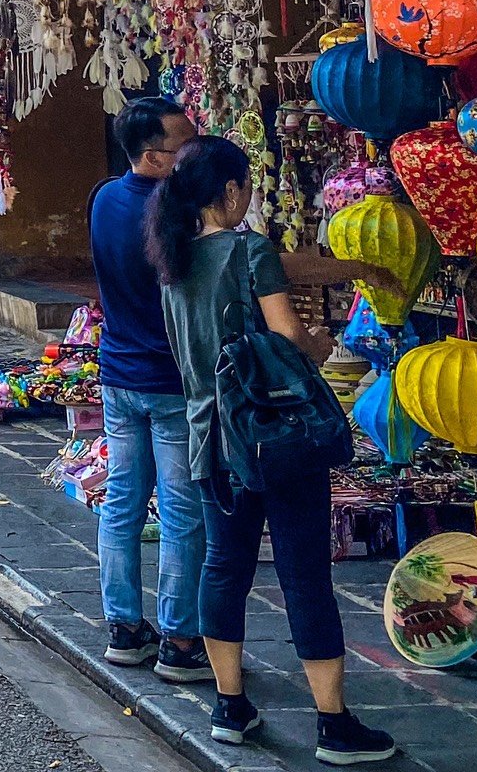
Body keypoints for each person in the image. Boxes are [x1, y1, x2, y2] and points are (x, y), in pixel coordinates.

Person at [153, 136, 395, 766]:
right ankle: (333, 724)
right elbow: (286, 334)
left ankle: (229, 706)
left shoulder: (174, 257)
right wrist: (317, 344)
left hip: (210, 439)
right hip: (275, 437)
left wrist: (354, 269)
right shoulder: (248, 249)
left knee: (223, 569)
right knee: (304, 574)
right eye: (246, 188)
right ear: (231, 190)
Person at [87, 97, 209, 684]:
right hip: (170, 382)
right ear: (153, 156)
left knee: (123, 502)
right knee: (183, 512)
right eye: (185, 146)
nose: (193, 154)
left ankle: (124, 628)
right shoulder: (177, 215)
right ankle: (180, 639)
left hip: (119, 373)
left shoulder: (104, 199)